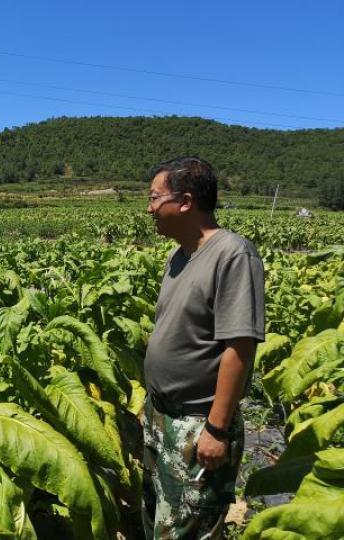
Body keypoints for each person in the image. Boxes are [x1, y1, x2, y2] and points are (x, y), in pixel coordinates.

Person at [142, 157, 265, 539]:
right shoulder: (178, 257)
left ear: (185, 201)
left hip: (199, 423)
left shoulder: (233, 254)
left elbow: (239, 347)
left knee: (188, 527)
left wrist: (216, 427)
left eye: (154, 197)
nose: (149, 208)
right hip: (162, 415)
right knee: (158, 514)